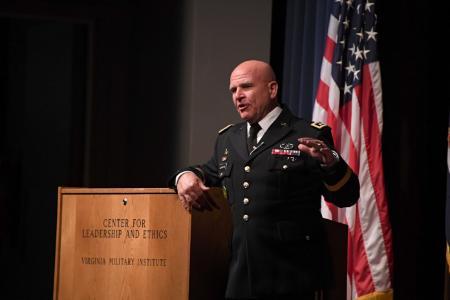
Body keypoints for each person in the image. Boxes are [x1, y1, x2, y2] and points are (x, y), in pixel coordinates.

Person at [169, 60, 359, 299]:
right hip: (241, 277)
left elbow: (347, 195)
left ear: (272, 89)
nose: (238, 96)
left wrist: (331, 162)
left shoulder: (308, 133)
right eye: (233, 90)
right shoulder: (229, 138)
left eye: (246, 87)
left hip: (294, 277)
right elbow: (207, 172)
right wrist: (183, 177)